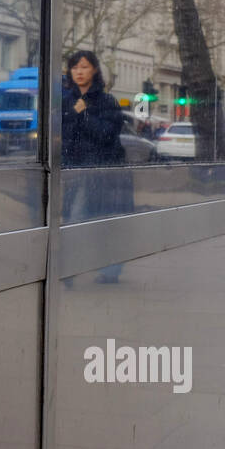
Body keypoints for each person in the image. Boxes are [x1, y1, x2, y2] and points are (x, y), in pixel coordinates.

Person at [60, 49, 131, 283]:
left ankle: (109, 270)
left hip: (100, 171)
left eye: (84, 67)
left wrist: (83, 115)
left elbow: (108, 134)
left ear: (95, 70)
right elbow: (62, 134)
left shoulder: (106, 100)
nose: (79, 72)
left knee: (102, 221)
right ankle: (67, 269)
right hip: (73, 169)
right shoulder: (66, 100)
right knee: (72, 220)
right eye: (75, 67)